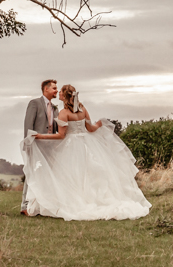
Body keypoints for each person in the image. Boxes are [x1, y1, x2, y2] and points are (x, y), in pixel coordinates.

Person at [20, 84, 151, 221]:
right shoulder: (83, 109)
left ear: (64, 96)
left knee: (71, 175)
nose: (58, 93)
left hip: (71, 147)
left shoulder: (64, 113)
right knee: (88, 174)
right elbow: (91, 128)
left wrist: (41, 136)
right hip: (86, 145)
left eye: (60, 93)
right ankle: (91, 200)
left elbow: (61, 135)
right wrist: (99, 124)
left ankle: (74, 203)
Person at [21, 79, 59, 215]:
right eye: (54, 88)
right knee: (31, 173)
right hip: (35, 145)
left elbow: (57, 128)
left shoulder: (55, 108)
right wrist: (28, 144)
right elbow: (28, 124)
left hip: (49, 147)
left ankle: (41, 205)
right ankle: (25, 206)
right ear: (46, 89)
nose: (56, 91)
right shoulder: (34, 103)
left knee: (46, 175)